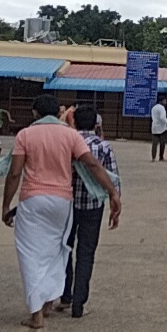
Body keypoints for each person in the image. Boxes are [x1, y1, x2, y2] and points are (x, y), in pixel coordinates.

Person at [1, 94, 121, 329]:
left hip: (33, 200)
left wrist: (6, 205)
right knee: (56, 252)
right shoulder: (69, 135)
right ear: (59, 113)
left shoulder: (25, 135)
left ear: (35, 113)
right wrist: (112, 192)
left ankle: (37, 312)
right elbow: (92, 165)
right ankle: (47, 301)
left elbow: (14, 173)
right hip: (62, 202)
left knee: (31, 254)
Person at [58, 104, 121, 319]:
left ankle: (64, 295)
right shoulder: (103, 146)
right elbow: (112, 176)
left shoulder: (66, 143)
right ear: (96, 124)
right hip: (93, 206)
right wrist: (115, 199)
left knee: (64, 249)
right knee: (86, 253)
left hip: (66, 205)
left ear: (73, 122)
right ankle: (79, 304)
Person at [151, 94, 167, 162]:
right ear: (161, 101)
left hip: (154, 127)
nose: (165, 103)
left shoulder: (154, 108)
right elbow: (162, 118)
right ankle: (161, 157)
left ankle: (153, 157)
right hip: (162, 128)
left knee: (154, 144)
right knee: (162, 143)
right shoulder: (162, 108)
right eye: (164, 101)